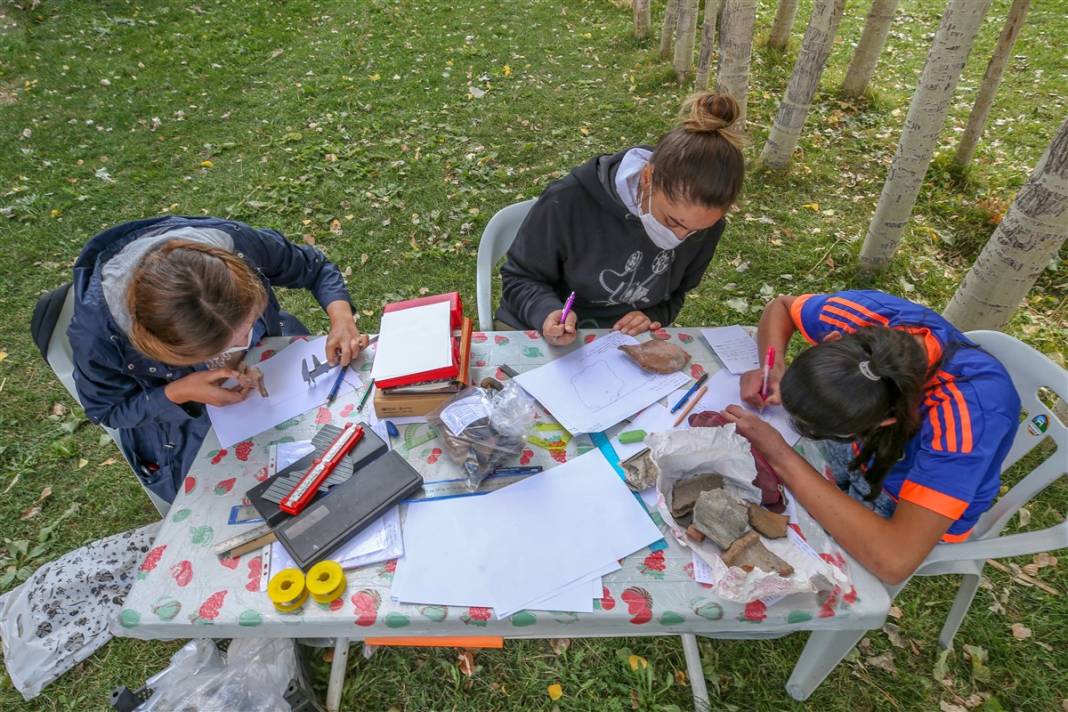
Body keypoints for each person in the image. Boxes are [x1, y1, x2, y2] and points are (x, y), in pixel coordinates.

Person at [723, 290, 1020, 585]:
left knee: (772, 547)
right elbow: (782, 307)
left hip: (898, 507)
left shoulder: (965, 419)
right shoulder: (862, 317)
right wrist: (772, 368)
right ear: (833, 339)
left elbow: (893, 560)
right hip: (864, 453)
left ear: (887, 421)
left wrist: (780, 455)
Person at [68, 215, 368, 504]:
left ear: (244, 277)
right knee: (256, 497)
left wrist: (341, 319)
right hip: (182, 429)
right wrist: (178, 392)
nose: (244, 344)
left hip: (287, 379)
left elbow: (313, 267)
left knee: (348, 441)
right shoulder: (97, 337)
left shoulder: (235, 245)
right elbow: (108, 410)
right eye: (220, 350)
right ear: (161, 347)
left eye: (249, 324)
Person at [496, 92, 745, 345]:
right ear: (647, 177)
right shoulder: (570, 200)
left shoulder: (706, 225)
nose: (681, 238)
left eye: (697, 231)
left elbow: (676, 294)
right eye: (673, 221)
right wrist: (546, 312)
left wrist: (652, 315)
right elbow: (520, 278)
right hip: (534, 329)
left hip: (619, 343)